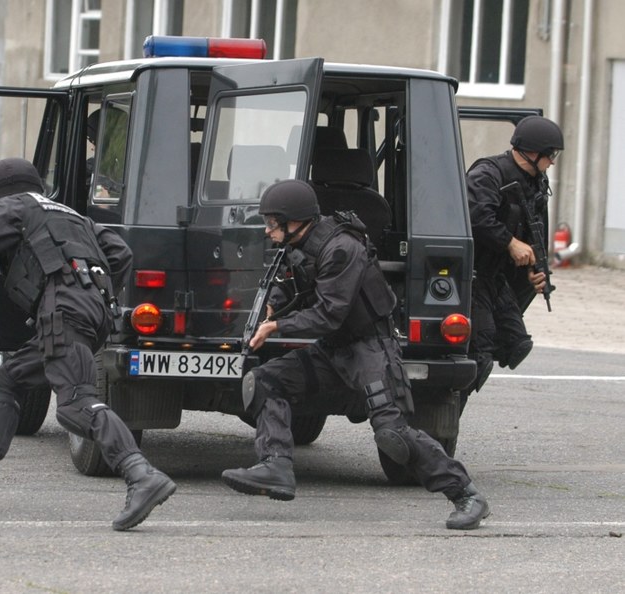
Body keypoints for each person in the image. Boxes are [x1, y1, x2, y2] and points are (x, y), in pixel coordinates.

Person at [0, 158, 176, 531]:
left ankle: (141, 474)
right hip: (88, 313)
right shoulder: (74, 215)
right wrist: (96, 293)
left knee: (76, 403)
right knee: (3, 383)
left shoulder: (14, 206)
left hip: (62, 311)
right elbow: (120, 254)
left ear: (0, 189)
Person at [221, 179, 490, 530]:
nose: (269, 230)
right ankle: (276, 466)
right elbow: (290, 283)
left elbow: (329, 313)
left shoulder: (341, 248)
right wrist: (274, 303)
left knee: (392, 435)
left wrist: (277, 327)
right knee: (266, 380)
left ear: (295, 221)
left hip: (370, 349)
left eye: (273, 223)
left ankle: (467, 494)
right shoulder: (298, 244)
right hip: (334, 348)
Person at [463, 116, 563, 408]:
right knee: (479, 353)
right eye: (550, 155)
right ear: (532, 152)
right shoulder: (487, 174)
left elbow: (534, 231)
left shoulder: (535, 182)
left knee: (516, 344)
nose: (552, 163)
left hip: (497, 277)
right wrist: (510, 242)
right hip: (472, 274)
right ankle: (438, 419)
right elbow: (477, 217)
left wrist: (535, 270)